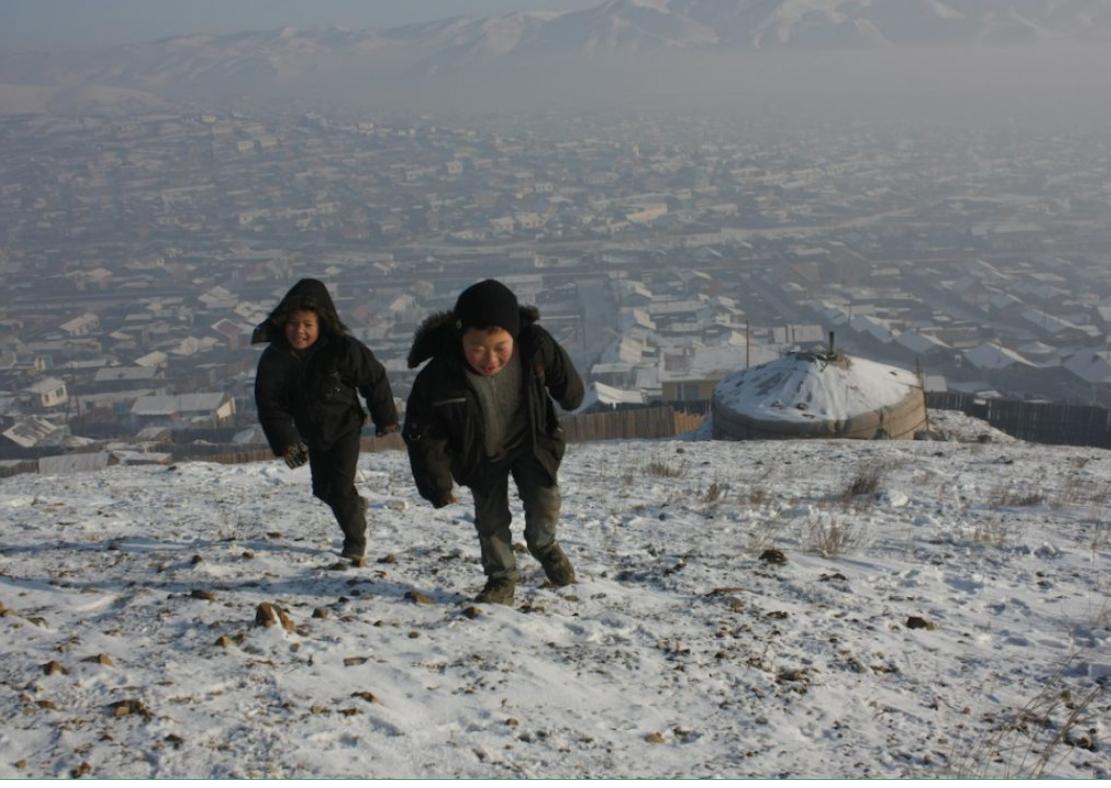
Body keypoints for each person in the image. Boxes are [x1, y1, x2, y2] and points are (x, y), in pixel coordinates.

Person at [403, 279, 584, 605]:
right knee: (491, 521)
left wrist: (571, 394)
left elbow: (565, 379)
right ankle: (501, 579)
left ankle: (543, 545)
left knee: (545, 502)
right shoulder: (440, 375)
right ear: (460, 340)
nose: (489, 358)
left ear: (514, 336)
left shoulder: (534, 348)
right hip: (479, 455)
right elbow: (423, 432)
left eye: (500, 347)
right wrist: (436, 482)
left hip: (530, 445)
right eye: (477, 348)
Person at [252, 278, 398, 562]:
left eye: (308, 324)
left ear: (321, 323)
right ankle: (355, 507)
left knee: (340, 488)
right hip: (311, 433)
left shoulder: (342, 349)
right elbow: (269, 404)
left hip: (344, 426)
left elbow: (374, 378)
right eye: (293, 324)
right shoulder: (276, 359)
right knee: (323, 489)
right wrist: (287, 441)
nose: (300, 331)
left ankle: (355, 539)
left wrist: (386, 418)